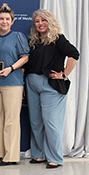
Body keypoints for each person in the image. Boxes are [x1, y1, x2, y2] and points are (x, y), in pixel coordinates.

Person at [25, 9, 79, 169]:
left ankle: (55, 157)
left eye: (44, 20)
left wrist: (64, 74)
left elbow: (74, 54)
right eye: (37, 21)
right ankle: (38, 155)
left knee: (51, 123)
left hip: (51, 86)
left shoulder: (57, 39)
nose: (40, 24)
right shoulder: (33, 41)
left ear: (50, 21)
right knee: (36, 122)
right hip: (31, 83)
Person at [0, 3, 29, 166]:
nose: (4, 21)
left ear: (12, 21)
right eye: (1, 19)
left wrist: (10, 69)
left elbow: (25, 57)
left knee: (11, 119)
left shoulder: (18, 36)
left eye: (7, 19)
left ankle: (11, 156)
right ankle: (0, 153)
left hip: (13, 83)